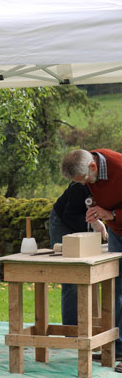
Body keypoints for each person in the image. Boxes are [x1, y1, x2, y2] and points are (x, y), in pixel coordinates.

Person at [61, 148, 122, 359]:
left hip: (117, 222)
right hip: (117, 231)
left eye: (85, 180)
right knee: (116, 289)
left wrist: (111, 214)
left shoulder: (119, 168)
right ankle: (117, 348)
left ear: (93, 167)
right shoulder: (90, 171)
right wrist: (97, 209)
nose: (86, 185)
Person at [49, 181, 107, 326]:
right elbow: (70, 215)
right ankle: (72, 331)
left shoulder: (113, 182)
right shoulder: (79, 185)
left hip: (85, 217)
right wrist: (94, 224)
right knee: (71, 277)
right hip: (63, 221)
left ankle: (93, 326)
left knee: (93, 270)